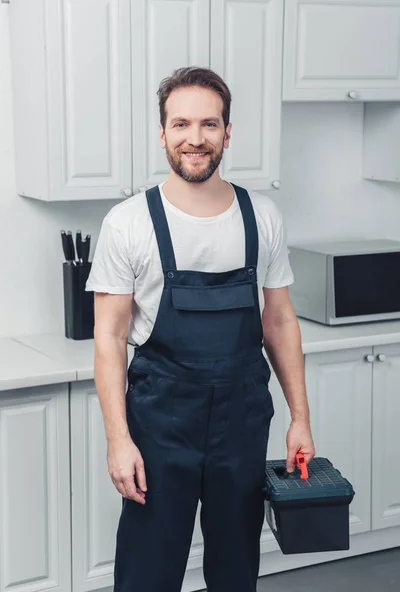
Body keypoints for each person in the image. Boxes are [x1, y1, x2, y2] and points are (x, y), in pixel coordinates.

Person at [86, 66, 315, 592]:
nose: (195, 138)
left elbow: (278, 321)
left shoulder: (262, 216)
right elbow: (109, 338)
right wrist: (118, 441)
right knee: (148, 569)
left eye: (209, 125)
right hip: (160, 420)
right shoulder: (128, 223)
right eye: (181, 124)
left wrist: (300, 419)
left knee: (236, 567)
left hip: (242, 417)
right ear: (162, 132)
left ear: (227, 133)